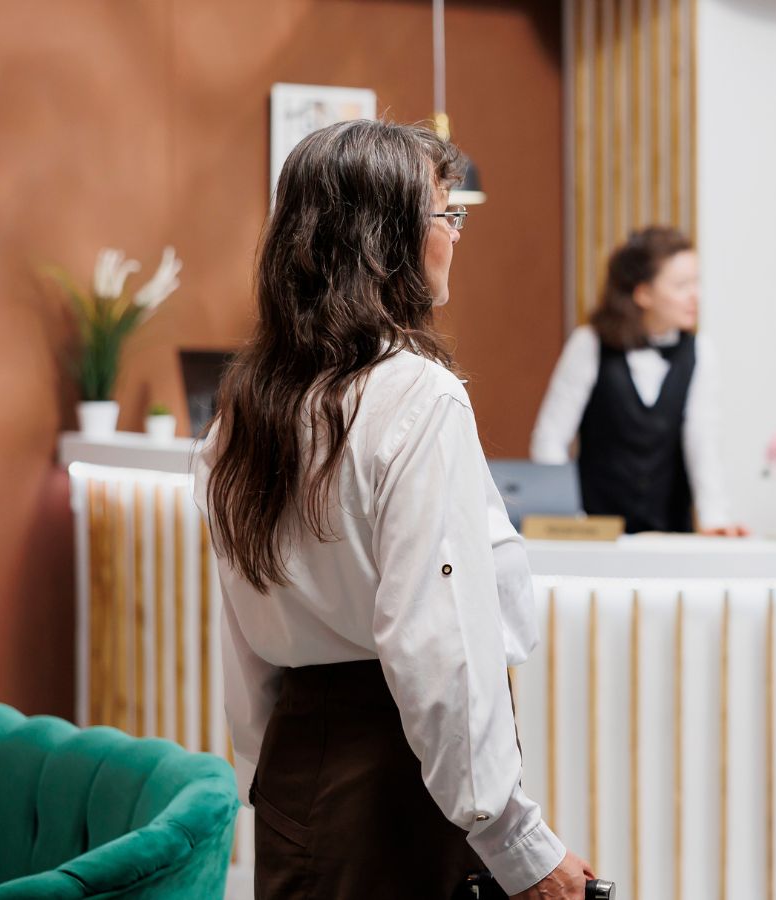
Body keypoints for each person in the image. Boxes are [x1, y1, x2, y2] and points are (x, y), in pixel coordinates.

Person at [195, 119, 592, 899]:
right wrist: (517, 840)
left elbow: (244, 644)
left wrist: (269, 781)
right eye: (446, 215)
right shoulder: (418, 397)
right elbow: (436, 644)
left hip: (296, 774)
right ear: (386, 240)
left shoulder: (240, 412)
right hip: (400, 783)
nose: (455, 236)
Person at [531, 226, 747, 536]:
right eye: (682, 285)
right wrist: (568, 518)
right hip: (598, 533)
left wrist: (715, 517)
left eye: (697, 283)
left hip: (671, 534)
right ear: (643, 293)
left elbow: (703, 440)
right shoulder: (589, 343)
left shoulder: (700, 351)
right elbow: (550, 438)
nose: (695, 295)